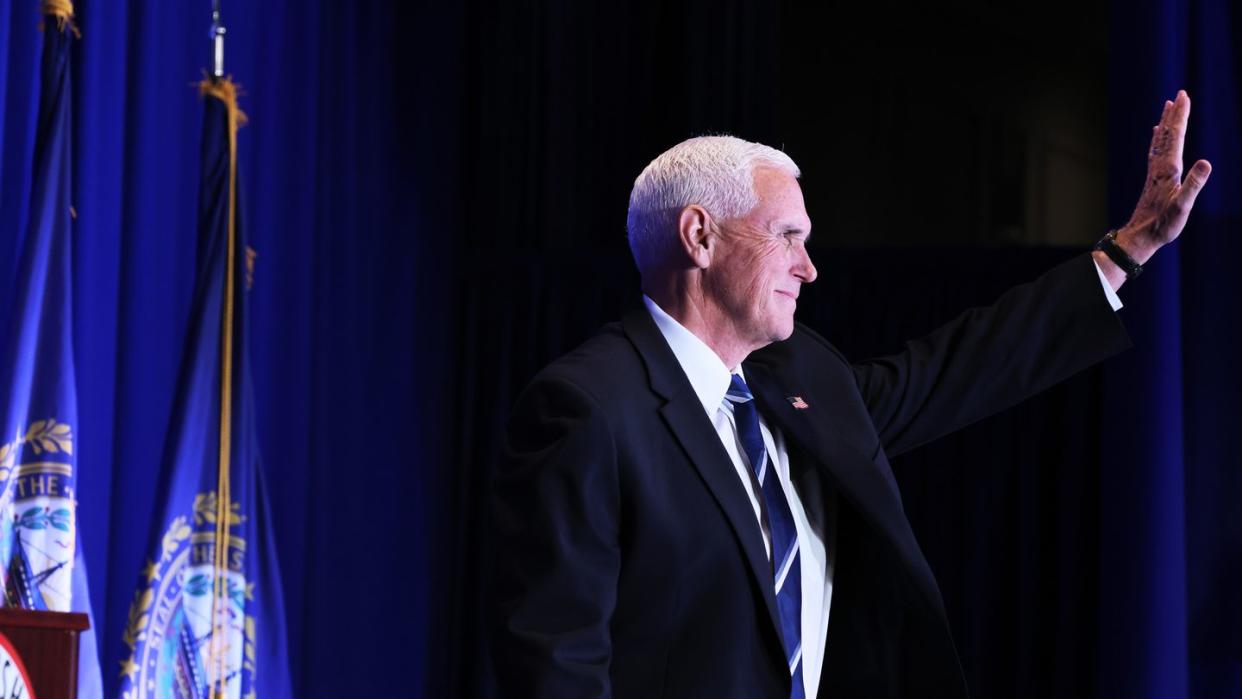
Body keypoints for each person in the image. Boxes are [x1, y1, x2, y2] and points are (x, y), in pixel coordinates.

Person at [490, 91, 1211, 698]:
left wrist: (1125, 252)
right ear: (700, 235)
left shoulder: (796, 380)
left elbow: (952, 372)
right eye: (788, 237)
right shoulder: (588, 408)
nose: (808, 268)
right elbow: (556, 668)